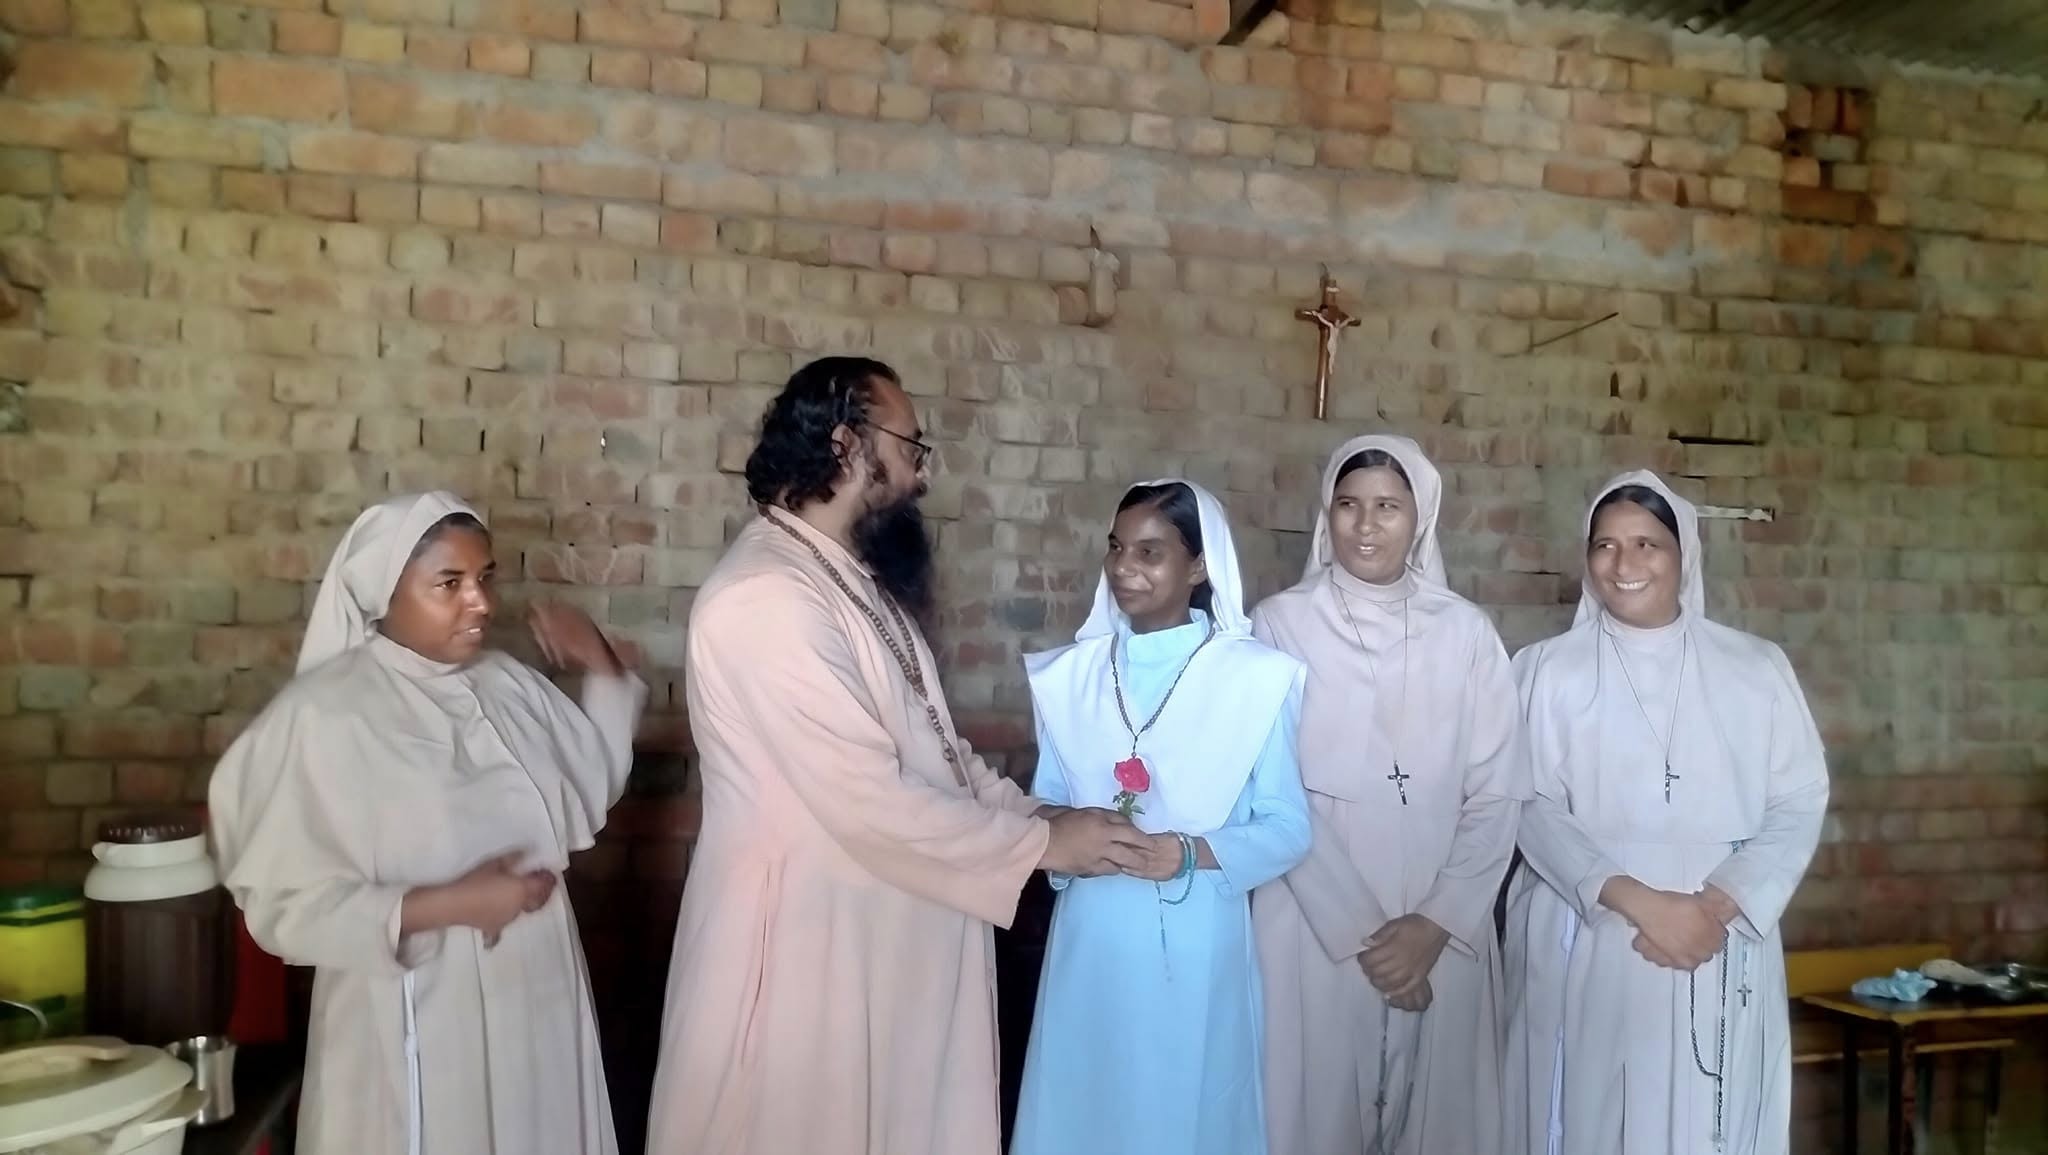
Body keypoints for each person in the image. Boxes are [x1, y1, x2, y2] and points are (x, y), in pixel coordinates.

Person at [646, 357, 1151, 1155]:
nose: (922, 472)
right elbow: (868, 796)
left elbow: (938, 753)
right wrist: (1042, 844)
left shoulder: (849, 578)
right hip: (806, 962)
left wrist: (1042, 813)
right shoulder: (765, 595)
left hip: (878, 948)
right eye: (911, 446)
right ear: (846, 445)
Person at [208, 492, 648, 1155]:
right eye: (450, 583)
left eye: (485, 578)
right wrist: (453, 903)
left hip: (537, 985)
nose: (481, 602)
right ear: (385, 591)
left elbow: (588, 780)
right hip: (415, 1004)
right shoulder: (327, 715)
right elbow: (288, 908)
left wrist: (601, 663)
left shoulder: (506, 683)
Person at [1503, 471, 1830, 1155]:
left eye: (1647, 544)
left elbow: (1799, 798)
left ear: (1685, 554)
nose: (1624, 563)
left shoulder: (1756, 667)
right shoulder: (1545, 669)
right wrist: (1640, 902)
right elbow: (1526, 802)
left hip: (1718, 932)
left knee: (1709, 1121)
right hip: (1592, 925)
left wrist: (1716, 905)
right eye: (1605, 545)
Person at [1010, 478, 1312, 1155]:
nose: (1125, 567)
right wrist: (1073, 833)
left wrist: (1188, 851)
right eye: (1116, 548)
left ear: (1199, 566)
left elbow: (1289, 827)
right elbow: (1044, 803)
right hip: (1091, 938)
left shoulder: (1256, 680)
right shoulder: (1070, 678)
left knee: (1183, 1115)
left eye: (1150, 552)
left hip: (1198, 942)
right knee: (1085, 1109)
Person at [1250, 435, 1527, 1155]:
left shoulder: (1466, 632)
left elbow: (1498, 792)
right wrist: (1366, 937)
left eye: (1387, 507)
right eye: (1348, 505)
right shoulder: (1280, 623)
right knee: (1311, 1112)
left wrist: (1436, 923)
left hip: (1444, 909)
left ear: (1421, 516)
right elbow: (1271, 784)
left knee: (1440, 1119)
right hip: (1314, 912)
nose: (1365, 525)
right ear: (1327, 513)